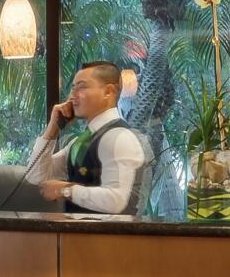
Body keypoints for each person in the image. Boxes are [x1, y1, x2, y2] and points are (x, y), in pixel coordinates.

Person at [23, 60, 148, 214]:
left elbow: (116, 201)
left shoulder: (118, 137)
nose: (72, 95)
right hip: (80, 236)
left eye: (82, 87)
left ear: (108, 92)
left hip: (112, 237)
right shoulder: (79, 142)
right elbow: (35, 176)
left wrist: (66, 190)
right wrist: (52, 128)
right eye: (73, 88)